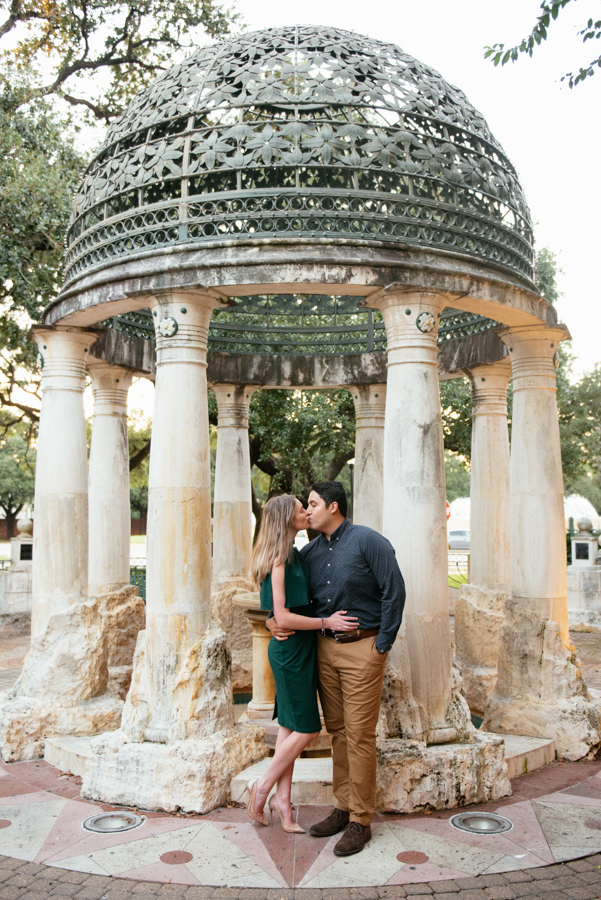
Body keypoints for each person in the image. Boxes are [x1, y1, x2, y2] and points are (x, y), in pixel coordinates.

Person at [267, 481, 405, 856]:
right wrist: (270, 622)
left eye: (311, 504)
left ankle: (361, 820)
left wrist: (382, 645)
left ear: (333, 506)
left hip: (363, 649)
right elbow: (287, 601)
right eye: (305, 506)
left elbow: (394, 590)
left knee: (360, 736)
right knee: (339, 733)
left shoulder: (368, 541)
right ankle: (343, 808)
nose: (307, 511)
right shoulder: (308, 553)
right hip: (324, 652)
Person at [244, 493, 358, 832]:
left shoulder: (294, 554)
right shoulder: (279, 560)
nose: (306, 512)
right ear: (286, 518)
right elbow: (281, 615)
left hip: (301, 650)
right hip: (290, 653)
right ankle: (261, 786)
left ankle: (284, 805)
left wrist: (271, 622)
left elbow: (274, 617)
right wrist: (327, 622)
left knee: (289, 729)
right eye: (300, 509)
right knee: (309, 729)